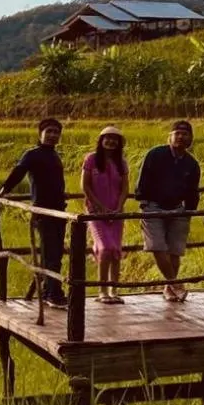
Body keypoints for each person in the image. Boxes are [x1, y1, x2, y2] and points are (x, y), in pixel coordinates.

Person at [0, 117, 68, 307]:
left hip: (59, 211)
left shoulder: (55, 155)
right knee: (51, 252)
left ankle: (48, 290)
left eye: (56, 132)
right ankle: (53, 293)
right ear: (40, 133)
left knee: (56, 253)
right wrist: (3, 191)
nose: (52, 135)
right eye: (49, 131)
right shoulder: (32, 154)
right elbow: (18, 172)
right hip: (43, 211)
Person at [135, 120, 201, 302]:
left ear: (191, 139)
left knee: (174, 250)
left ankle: (169, 288)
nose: (181, 137)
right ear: (170, 136)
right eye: (177, 133)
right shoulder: (155, 154)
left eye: (185, 134)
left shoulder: (191, 164)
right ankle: (176, 283)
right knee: (157, 246)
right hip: (153, 206)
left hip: (178, 209)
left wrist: (190, 211)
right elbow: (143, 179)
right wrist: (144, 201)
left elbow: (192, 191)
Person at [81, 126, 129, 305]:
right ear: (101, 141)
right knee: (105, 248)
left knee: (116, 250)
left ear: (119, 143)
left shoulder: (121, 162)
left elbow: (125, 188)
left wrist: (118, 207)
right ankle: (102, 291)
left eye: (114, 139)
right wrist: (99, 207)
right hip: (95, 212)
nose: (111, 142)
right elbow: (85, 186)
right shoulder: (91, 159)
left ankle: (114, 290)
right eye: (107, 138)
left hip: (116, 212)